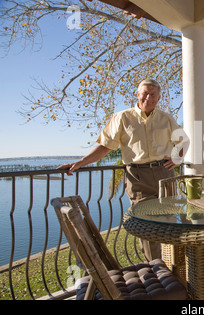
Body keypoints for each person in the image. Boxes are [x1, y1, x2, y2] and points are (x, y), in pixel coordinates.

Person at [57, 78, 189, 260]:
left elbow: (184, 140)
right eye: (145, 93)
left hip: (164, 173)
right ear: (138, 94)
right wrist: (80, 163)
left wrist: (177, 158)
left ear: (158, 98)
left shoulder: (166, 118)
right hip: (137, 177)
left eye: (153, 94)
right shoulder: (122, 118)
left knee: (169, 220)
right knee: (147, 223)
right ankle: (156, 268)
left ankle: (174, 267)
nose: (148, 97)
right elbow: (105, 146)